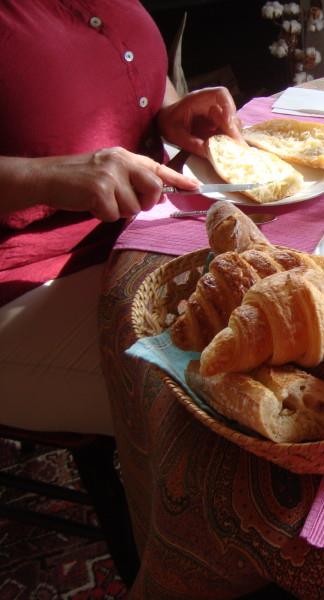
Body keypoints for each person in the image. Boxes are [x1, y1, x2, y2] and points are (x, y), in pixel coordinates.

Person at [0, 1, 245, 434]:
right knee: (236, 387)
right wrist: (43, 175)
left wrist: (169, 110)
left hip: (141, 231)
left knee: (294, 305)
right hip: (30, 276)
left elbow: (134, 60)